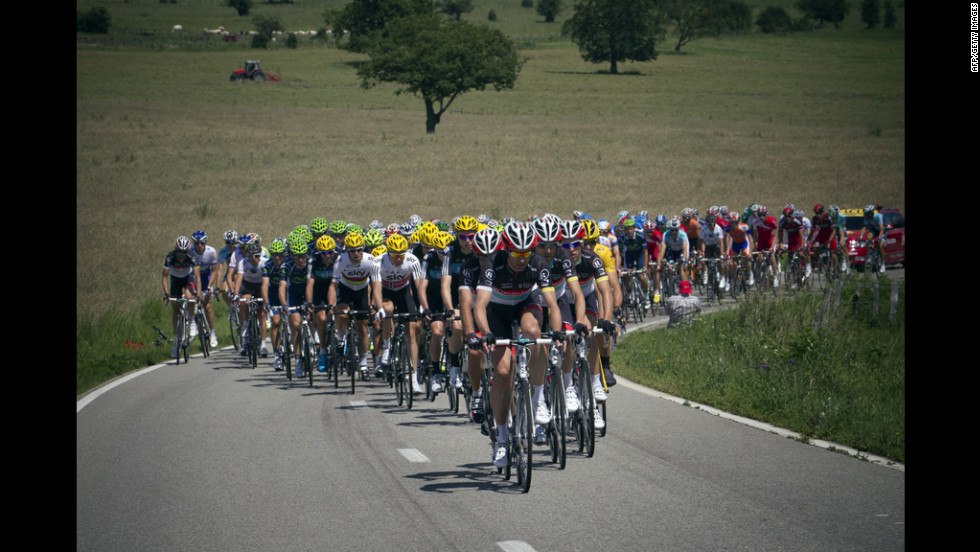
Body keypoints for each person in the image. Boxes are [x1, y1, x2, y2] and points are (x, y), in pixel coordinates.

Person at [473, 222, 565, 468]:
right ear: (507, 249)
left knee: (535, 333)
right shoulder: (493, 263)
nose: (522, 259)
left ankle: (537, 398)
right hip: (498, 312)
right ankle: (502, 437)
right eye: (516, 253)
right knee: (502, 373)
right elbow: (480, 305)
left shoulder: (537, 263)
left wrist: (556, 333)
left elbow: (552, 304)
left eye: (526, 253)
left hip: (526, 304)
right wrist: (485, 333)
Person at [377, 233, 428, 393]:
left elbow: (419, 286)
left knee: (412, 331)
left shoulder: (412, 260)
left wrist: (422, 307)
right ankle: (386, 346)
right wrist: (378, 308)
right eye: (395, 255)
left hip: (403, 292)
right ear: (388, 252)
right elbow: (376, 289)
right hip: (385, 292)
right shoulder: (379, 261)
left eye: (401, 255)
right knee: (388, 309)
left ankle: (414, 378)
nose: (399, 258)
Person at [328, 232, 382, 380]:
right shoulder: (341, 261)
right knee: (342, 313)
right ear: (347, 251)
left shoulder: (370, 260)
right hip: (346, 290)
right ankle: (340, 338)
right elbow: (333, 285)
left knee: (362, 328)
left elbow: (375, 285)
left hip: (363, 292)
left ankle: (364, 364)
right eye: (352, 250)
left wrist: (373, 304)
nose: (356, 253)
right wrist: (332, 304)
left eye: (359, 249)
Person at [162, 236, 202, 358]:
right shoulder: (170, 257)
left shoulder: (192, 257)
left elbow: (198, 277)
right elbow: (164, 277)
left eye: (184, 251)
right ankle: (176, 340)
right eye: (180, 251)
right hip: (175, 280)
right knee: (175, 309)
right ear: (176, 249)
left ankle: (191, 322)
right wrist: (166, 294)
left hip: (188, 278)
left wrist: (198, 295)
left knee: (189, 297)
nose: (182, 254)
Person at [233, 242, 270, 358]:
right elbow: (238, 280)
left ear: (261, 255)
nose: (254, 259)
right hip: (247, 286)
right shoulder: (243, 263)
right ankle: (245, 329)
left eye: (257, 256)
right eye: (251, 256)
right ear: (247, 256)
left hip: (260, 286)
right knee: (244, 302)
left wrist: (266, 299)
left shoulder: (265, 263)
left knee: (261, 314)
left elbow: (265, 283)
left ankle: (263, 345)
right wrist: (236, 295)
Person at [189, 230, 219, 348]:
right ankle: (192, 323)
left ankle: (212, 333)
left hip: (206, 277)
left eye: (201, 243)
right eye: (196, 243)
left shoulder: (211, 252)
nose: (199, 245)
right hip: (193, 277)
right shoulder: (190, 252)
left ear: (205, 242)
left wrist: (209, 286)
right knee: (190, 299)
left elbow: (214, 271)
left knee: (207, 305)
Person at [261, 238, 288, 370]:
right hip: (273, 293)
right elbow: (265, 285)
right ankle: (277, 353)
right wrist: (266, 303)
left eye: (280, 255)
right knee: (275, 321)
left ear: (285, 254)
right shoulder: (268, 265)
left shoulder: (288, 263)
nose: (277, 258)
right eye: (274, 255)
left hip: (288, 291)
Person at [861, 204, 887, 273]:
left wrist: (879, 237)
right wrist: (860, 236)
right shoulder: (866, 217)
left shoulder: (879, 216)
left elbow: (881, 229)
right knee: (868, 238)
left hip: (882, 230)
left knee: (880, 245)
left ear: (870, 213)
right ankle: (869, 254)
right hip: (874, 229)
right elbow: (864, 227)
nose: (865, 215)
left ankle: (883, 263)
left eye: (866, 214)